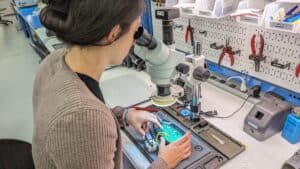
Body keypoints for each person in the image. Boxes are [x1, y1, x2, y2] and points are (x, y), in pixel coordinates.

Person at [32, 0, 192, 169]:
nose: (134, 41)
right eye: (136, 31)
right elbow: (80, 118)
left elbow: (76, 117)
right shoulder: (83, 117)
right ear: (114, 33)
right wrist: (163, 163)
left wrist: (124, 115)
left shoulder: (54, 61)